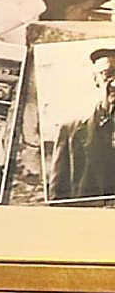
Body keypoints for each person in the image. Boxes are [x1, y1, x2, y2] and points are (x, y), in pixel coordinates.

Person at [48, 47, 115, 201]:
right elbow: (58, 195)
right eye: (108, 74)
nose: (114, 82)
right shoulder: (69, 130)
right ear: (96, 80)